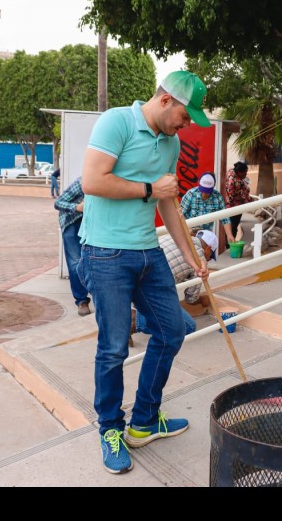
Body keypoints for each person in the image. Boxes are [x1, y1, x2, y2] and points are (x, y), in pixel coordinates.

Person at [77, 70, 212, 474]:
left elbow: (169, 203)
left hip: (148, 252)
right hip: (105, 253)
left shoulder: (170, 142)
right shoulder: (117, 121)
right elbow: (92, 181)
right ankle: (110, 429)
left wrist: (190, 256)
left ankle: (144, 421)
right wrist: (151, 189)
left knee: (173, 331)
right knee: (114, 348)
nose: (186, 126)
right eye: (185, 117)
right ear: (166, 100)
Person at [131, 229, 218, 338]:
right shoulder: (199, 260)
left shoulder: (174, 236)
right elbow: (190, 299)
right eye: (210, 256)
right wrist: (202, 300)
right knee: (188, 326)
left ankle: (133, 315)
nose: (208, 260)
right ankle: (133, 321)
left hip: (132, 279)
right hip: (151, 290)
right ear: (208, 248)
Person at [53, 176, 92, 317]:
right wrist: (78, 207)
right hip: (73, 222)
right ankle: (81, 301)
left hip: (94, 223)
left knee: (96, 261)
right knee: (76, 263)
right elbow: (58, 203)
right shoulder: (84, 181)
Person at [180, 171, 235, 243]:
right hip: (189, 232)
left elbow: (225, 218)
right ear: (199, 183)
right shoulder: (191, 194)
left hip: (206, 235)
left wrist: (229, 234)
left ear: (213, 187)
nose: (204, 193)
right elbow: (180, 215)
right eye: (203, 190)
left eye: (207, 191)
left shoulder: (218, 197)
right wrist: (187, 230)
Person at [224, 161, 252, 240]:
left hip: (236, 206)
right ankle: (230, 243)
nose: (246, 174)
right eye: (245, 172)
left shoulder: (234, 175)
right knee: (233, 226)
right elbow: (230, 197)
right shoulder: (233, 181)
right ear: (239, 172)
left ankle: (230, 242)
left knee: (233, 226)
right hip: (233, 208)